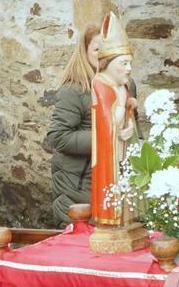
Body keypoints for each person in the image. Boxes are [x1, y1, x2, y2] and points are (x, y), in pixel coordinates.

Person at [45, 24, 138, 226]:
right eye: (97, 49)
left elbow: (127, 126)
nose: (103, 54)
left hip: (115, 185)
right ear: (85, 51)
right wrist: (105, 137)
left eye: (107, 49)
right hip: (78, 193)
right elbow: (58, 137)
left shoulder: (126, 85)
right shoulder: (73, 90)